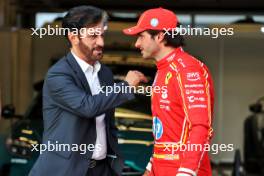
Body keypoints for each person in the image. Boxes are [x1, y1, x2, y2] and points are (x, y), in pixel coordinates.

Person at [29, 5, 147, 176]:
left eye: (102, 35)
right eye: (93, 36)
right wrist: (126, 86)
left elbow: (107, 122)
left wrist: (112, 163)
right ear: (73, 37)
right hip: (66, 170)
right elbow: (88, 107)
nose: (101, 42)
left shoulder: (105, 73)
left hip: (101, 169)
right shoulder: (58, 74)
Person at [123, 7, 214, 176]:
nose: (137, 44)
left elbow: (201, 127)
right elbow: (166, 133)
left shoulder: (188, 69)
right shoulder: (163, 70)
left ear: (160, 36)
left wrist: (186, 172)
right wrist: (151, 168)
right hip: (162, 168)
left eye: (141, 37)